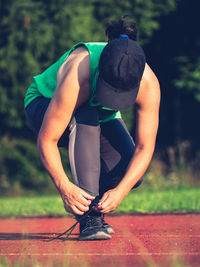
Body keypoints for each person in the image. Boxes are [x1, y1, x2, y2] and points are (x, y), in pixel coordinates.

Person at [24, 15, 160, 240]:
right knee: (86, 114)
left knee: (130, 173)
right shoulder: (79, 71)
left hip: (97, 117)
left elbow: (144, 148)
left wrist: (120, 191)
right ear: (102, 75)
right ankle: (89, 218)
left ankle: (92, 205)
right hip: (42, 105)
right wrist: (64, 187)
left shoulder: (149, 83)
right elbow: (47, 140)